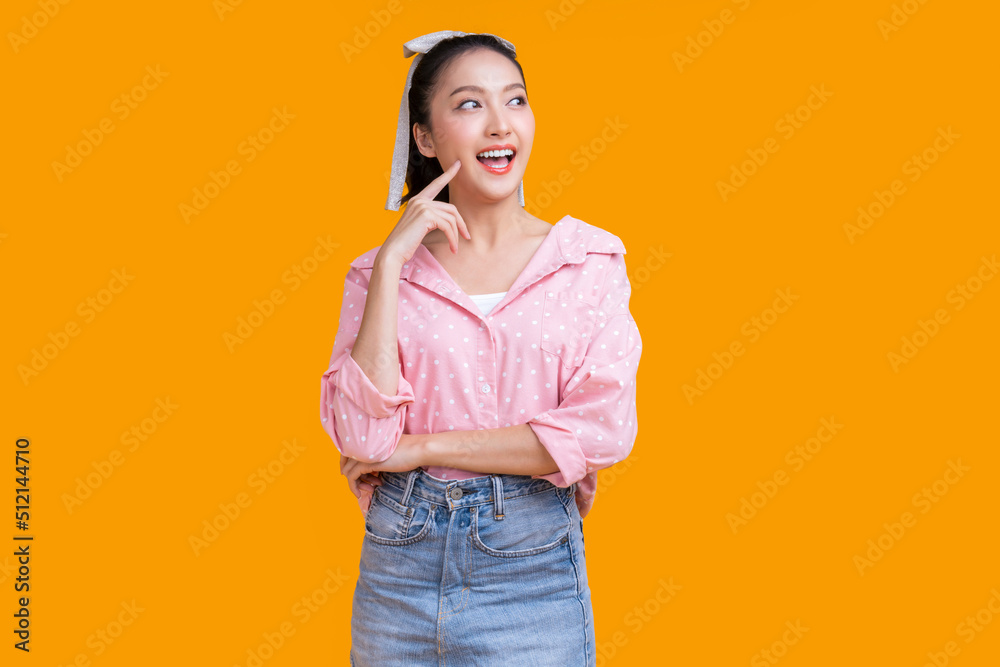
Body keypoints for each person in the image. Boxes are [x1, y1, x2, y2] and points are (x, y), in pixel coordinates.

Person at [319, 30, 642, 666]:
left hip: (531, 568)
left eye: (515, 100)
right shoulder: (379, 275)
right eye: (469, 105)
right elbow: (359, 433)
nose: (500, 124)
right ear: (425, 137)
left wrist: (420, 447)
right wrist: (391, 264)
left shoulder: (588, 263)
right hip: (398, 564)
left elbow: (603, 429)